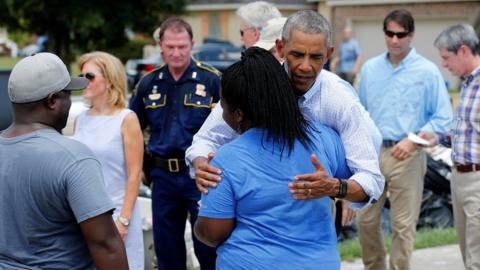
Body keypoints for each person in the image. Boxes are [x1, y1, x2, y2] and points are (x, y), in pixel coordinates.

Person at [187, 11, 384, 222]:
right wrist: (201, 164)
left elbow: (370, 177)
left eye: (316, 57)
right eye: (297, 54)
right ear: (280, 48)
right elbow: (206, 139)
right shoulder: (255, 84)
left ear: (328, 54)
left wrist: (339, 188)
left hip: (315, 217)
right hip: (255, 211)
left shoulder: (340, 100)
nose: (305, 66)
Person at [195, 46, 369, 269]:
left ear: (238, 115)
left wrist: (200, 223)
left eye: (222, 105)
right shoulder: (324, 139)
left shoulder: (225, 160)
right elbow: (364, 183)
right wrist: (340, 189)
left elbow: (214, 232)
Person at [0, 52, 128, 269]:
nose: (70, 102)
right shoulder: (74, 158)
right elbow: (106, 245)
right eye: (67, 94)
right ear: (52, 101)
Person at [356, 9, 453, 270]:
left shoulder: (428, 72)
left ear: (411, 35)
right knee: (365, 221)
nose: (395, 40)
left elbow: (443, 118)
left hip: (408, 156)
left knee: (402, 226)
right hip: (372, 155)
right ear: (384, 34)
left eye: (401, 35)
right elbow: (358, 113)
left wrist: (413, 141)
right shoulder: (370, 69)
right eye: (390, 34)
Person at [129, 17, 220, 270]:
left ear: (192, 44)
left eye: (182, 46)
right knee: (167, 251)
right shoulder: (149, 83)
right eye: (170, 47)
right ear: (160, 45)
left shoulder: (211, 80)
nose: (176, 53)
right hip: (163, 178)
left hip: (202, 177)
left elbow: (231, 128)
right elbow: (131, 128)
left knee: (209, 248)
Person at [73, 51, 144, 270]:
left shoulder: (127, 119)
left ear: (110, 79)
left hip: (117, 214)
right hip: (85, 215)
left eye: (90, 76)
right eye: (81, 75)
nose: (84, 81)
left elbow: (135, 174)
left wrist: (123, 220)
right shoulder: (80, 119)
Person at [424, 23, 480, 270]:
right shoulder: (468, 84)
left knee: (477, 257)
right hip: (459, 178)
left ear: (464, 51)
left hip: (477, 179)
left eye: (447, 58)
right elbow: (467, 131)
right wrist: (437, 138)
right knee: (468, 254)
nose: (444, 64)